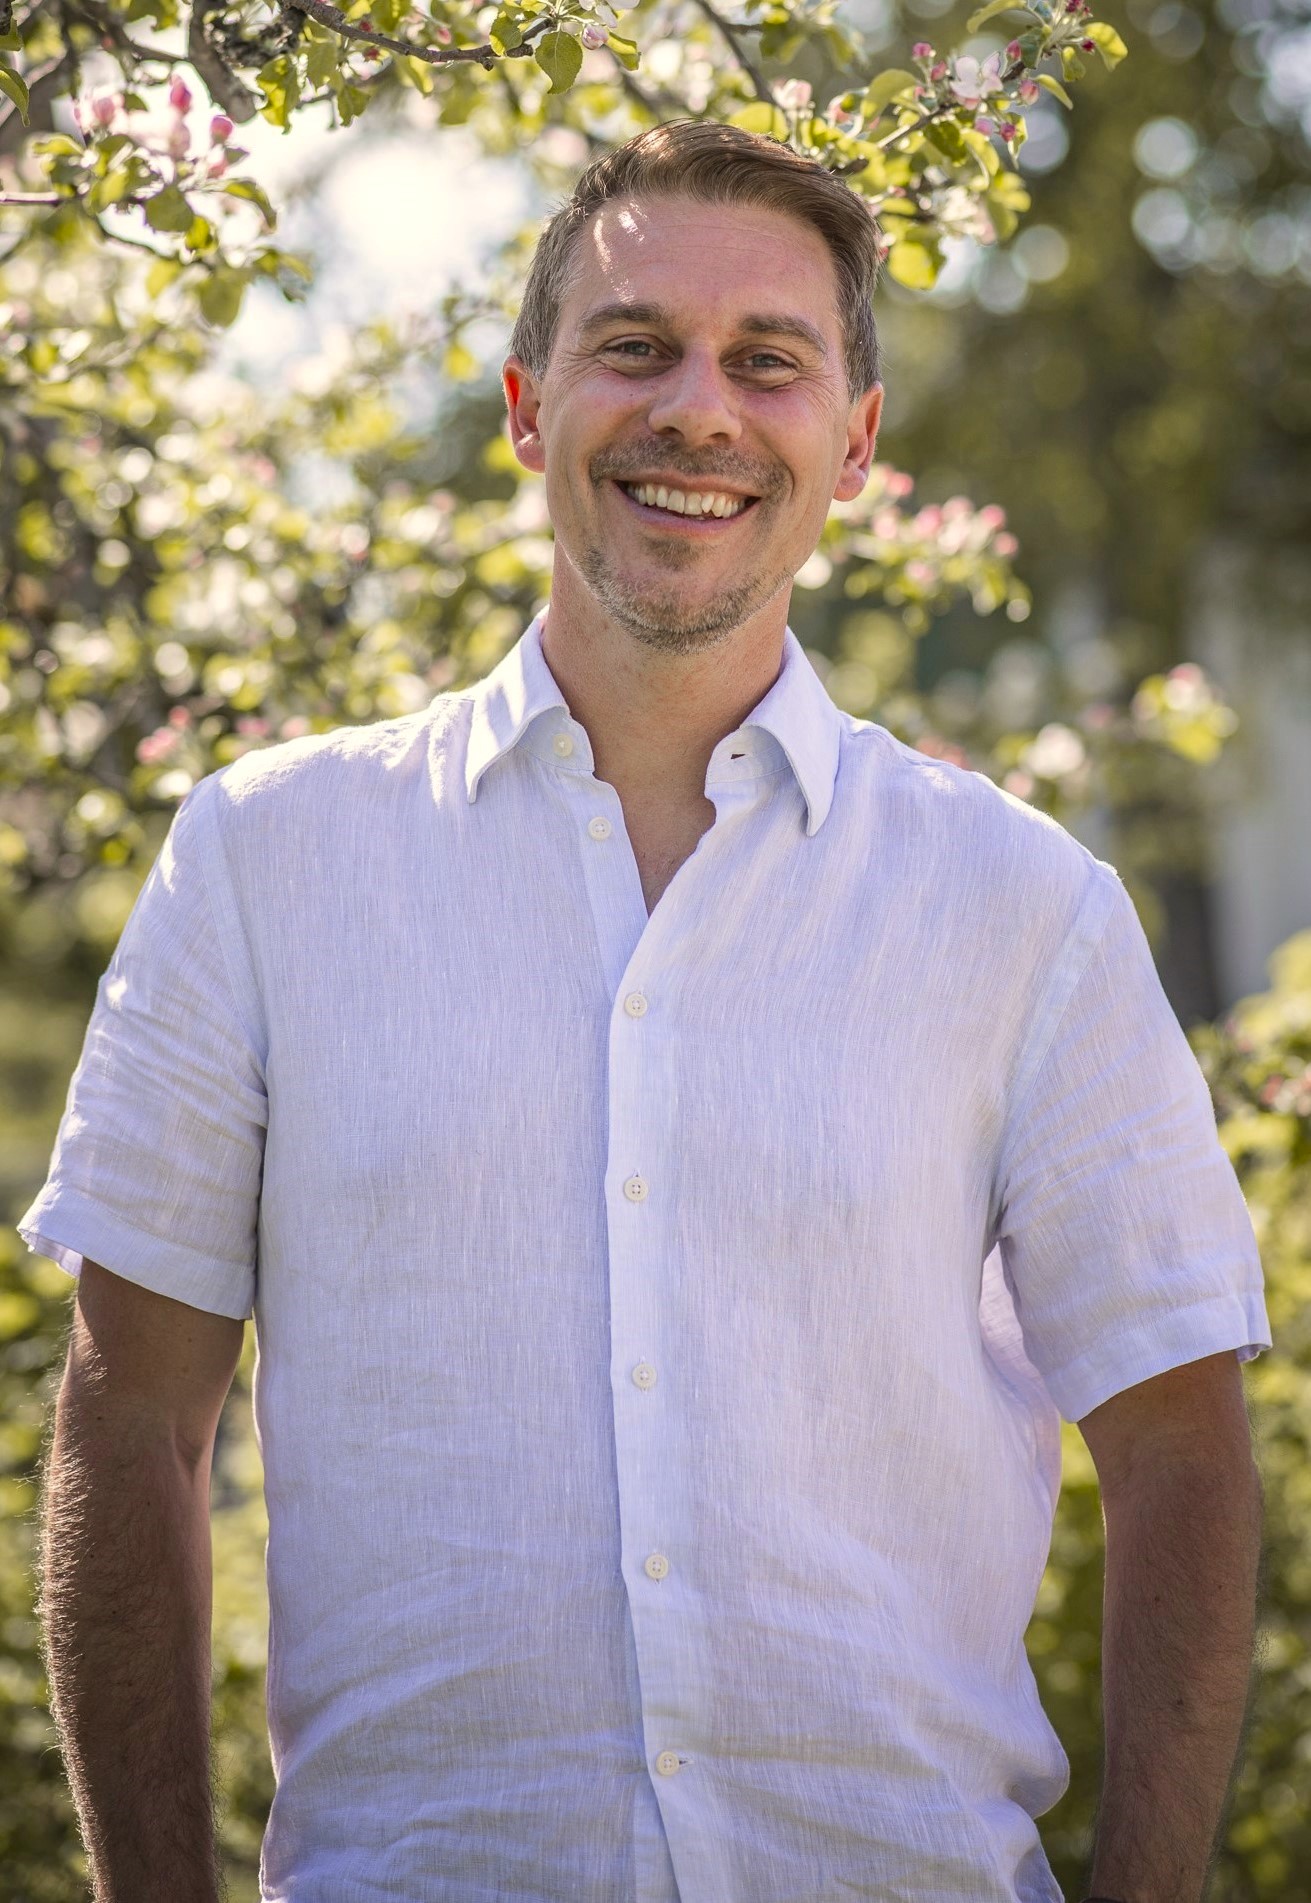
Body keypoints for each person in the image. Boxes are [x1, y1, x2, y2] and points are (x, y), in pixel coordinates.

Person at [23, 120, 1270, 1903]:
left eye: (769, 360)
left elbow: (1179, 1443)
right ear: (530, 408)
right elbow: (129, 1419)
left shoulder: (1026, 912)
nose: (701, 408)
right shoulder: (264, 860)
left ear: (851, 444)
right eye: (636, 348)